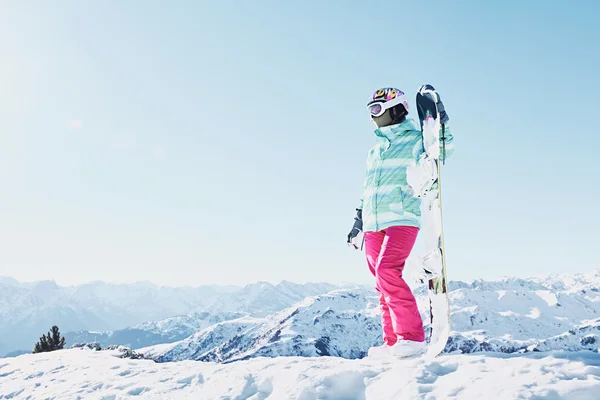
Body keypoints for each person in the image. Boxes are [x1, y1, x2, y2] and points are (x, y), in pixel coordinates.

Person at [347, 86, 454, 358]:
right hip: (373, 221)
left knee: (387, 271)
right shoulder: (374, 152)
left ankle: (412, 337)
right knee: (381, 283)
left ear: (395, 109)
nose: (372, 116)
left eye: (376, 109)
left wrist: (441, 125)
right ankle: (393, 342)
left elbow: (441, 152)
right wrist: (358, 219)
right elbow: (367, 188)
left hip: (402, 216)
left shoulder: (415, 139)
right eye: (369, 110)